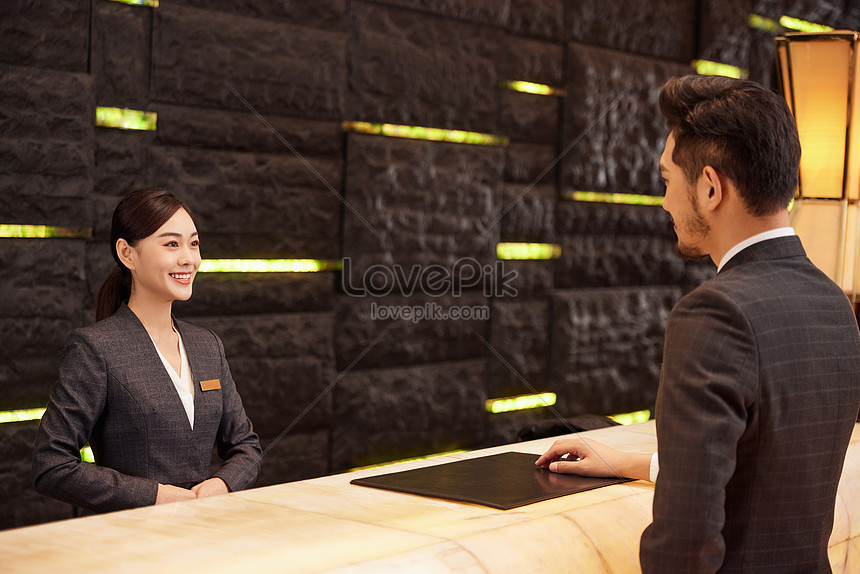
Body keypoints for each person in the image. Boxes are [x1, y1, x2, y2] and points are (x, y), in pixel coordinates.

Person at [536, 75, 860, 572]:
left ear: (710, 187)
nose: (665, 202)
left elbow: (684, 547)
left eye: (667, 181)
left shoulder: (715, 313)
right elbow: (765, 474)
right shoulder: (834, 304)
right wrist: (632, 462)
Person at [33, 188, 261, 514]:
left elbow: (247, 447)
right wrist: (150, 495)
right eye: (171, 244)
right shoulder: (96, 348)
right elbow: (50, 463)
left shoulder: (207, 345)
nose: (188, 258)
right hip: (128, 542)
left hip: (202, 533)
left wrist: (223, 484)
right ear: (128, 254)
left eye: (193, 243)